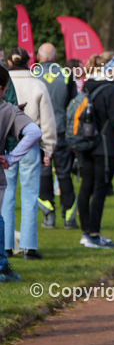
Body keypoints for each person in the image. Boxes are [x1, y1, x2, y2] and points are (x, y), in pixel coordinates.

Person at [4, 47, 56, 260]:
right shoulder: (38, 84)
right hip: (29, 143)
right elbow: (48, 122)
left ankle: (6, 245)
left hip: (6, 142)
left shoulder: (4, 84)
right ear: (28, 61)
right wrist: (49, 148)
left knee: (6, 196)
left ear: (9, 62)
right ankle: (29, 246)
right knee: (30, 195)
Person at [76, 51, 114, 249]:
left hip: (86, 143)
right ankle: (94, 234)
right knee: (100, 189)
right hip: (105, 146)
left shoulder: (87, 86)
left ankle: (86, 232)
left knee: (86, 187)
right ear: (110, 67)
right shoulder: (111, 90)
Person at [0, 65, 42, 282]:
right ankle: (14, 257)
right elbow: (36, 131)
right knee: (26, 199)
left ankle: (5, 254)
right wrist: (12, 157)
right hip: (7, 160)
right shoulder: (8, 108)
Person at [36, 42, 78, 230]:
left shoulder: (33, 73)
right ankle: (69, 218)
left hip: (39, 131)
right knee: (64, 173)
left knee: (44, 172)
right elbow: (73, 104)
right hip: (61, 131)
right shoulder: (67, 75)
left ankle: (48, 216)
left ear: (39, 57)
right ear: (56, 57)